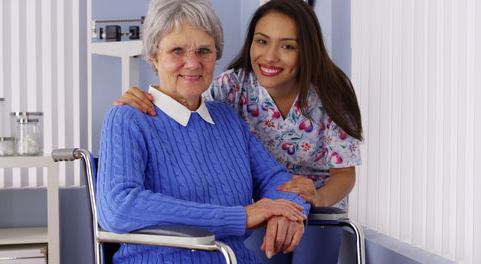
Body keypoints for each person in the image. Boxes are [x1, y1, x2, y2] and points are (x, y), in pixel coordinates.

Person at [115, 0, 362, 263]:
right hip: (257, 208)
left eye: (288, 45)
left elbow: (338, 174)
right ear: (154, 55)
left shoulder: (328, 94)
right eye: (262, 41)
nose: (270, 56)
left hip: (304, 203)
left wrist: (304, 200)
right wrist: (141, 97)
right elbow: (185, 105)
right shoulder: (231, 88)